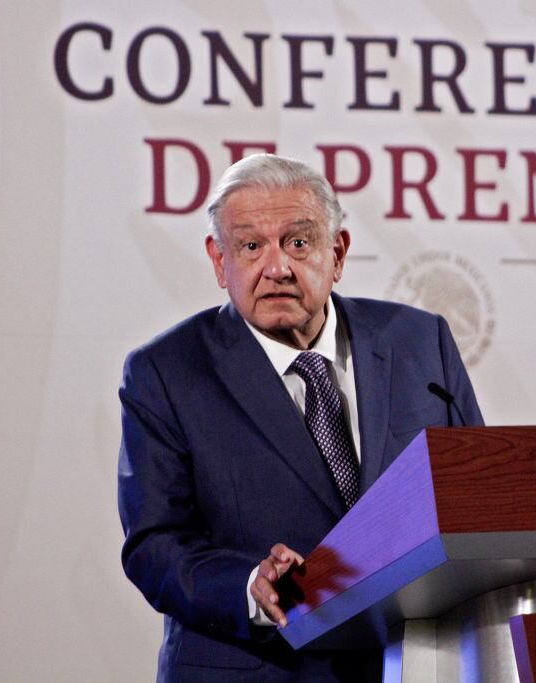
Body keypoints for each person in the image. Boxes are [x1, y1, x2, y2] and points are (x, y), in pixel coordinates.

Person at [117, 153, 483, 682]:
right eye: (249, 246)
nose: (277, 267)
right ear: (220, 262)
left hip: (415, 664)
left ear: (337, 254)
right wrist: (250, 586)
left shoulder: (420, 342)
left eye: (298, 242)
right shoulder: (167, 372)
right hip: (257, 667)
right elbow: (155, 544)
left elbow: (473, 496)